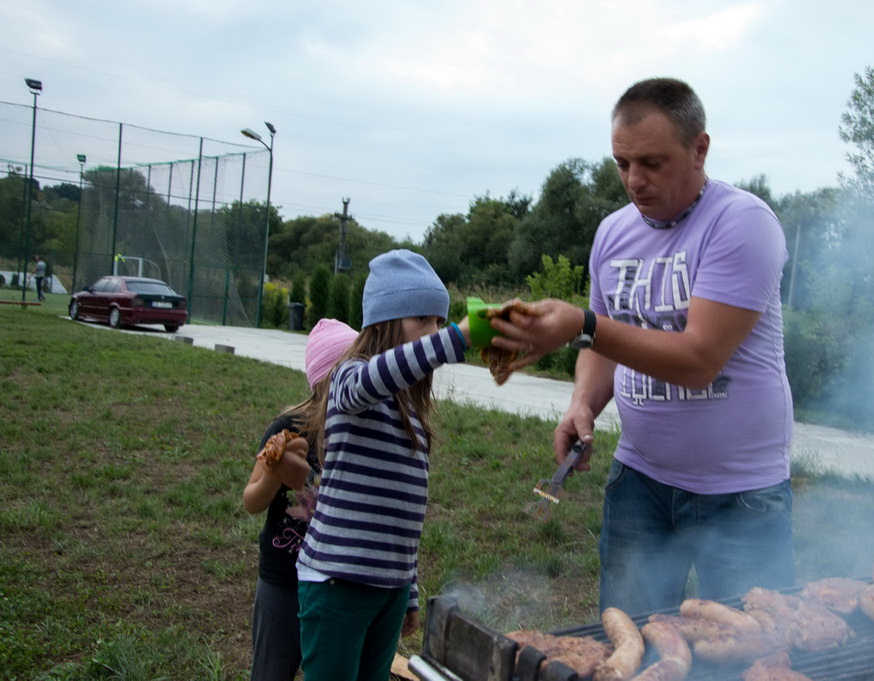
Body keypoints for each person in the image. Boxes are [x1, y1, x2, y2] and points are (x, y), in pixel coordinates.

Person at [492, 77, 795, 613]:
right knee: (629, 643)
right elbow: (607, 340)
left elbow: (700, 359)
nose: (634, 181)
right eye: (622, 163)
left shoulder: (742, 224)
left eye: (653, 163)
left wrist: (581, 324)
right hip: (640, 481)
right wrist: (583, 403)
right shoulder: (612, 233)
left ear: (700, 148)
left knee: (752, 653)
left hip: (741, 495)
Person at [295, 249, 473, 681]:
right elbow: (371, 381)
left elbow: (402, 514)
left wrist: (407, 590)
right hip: (338, 583)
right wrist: (456, 339)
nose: (431, 332)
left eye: (438, 322)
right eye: (421, 321)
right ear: (385, 323)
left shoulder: (410, 407)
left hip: (386, 590)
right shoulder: (350, 378)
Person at [242, 317, 359, 681]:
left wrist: (306, 482)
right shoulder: (286, 429)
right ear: (327, 378)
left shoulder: (361, 431)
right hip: (283, 580)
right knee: (271, 671)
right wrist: (276, 476)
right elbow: (251, 500)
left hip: (336, 582)